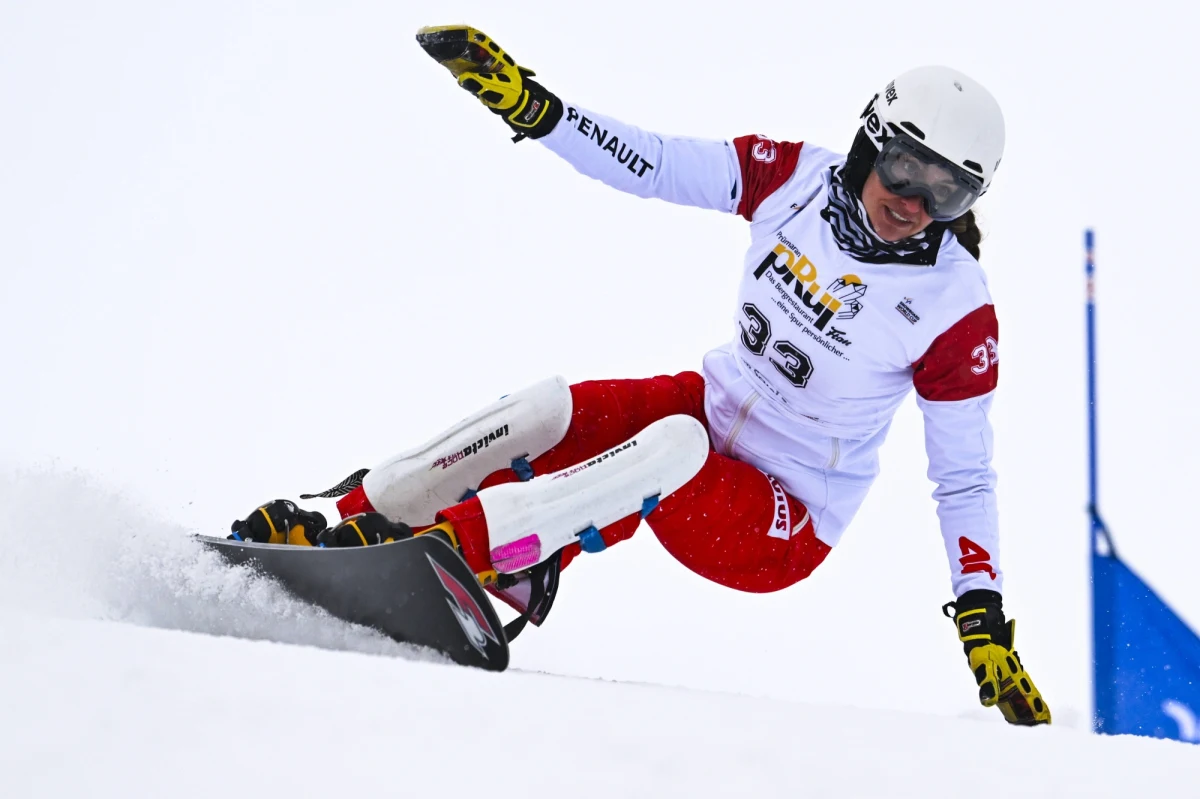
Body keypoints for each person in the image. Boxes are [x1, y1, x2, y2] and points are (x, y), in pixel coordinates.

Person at [230, 25, 1050, 726]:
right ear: (873, 141)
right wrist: (535, 109)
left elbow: (965, 476)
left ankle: (466, 555)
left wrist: (981, 617)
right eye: (907, 170)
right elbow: (652, 163)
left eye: (948, 192)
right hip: (702, 416)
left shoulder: (954, 307)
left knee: (672, 444)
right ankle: (349, 518)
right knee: (553, 410)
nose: (914, 203)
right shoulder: (791, 179)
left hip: (787, 518)